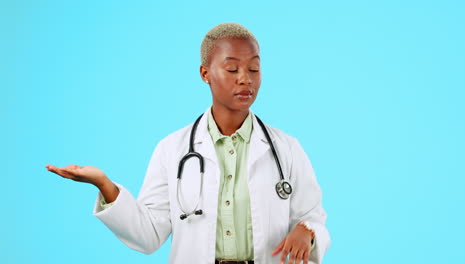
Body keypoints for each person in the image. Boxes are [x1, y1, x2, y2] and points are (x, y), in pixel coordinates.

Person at [46, 22, 331, 264]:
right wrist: (105, 185)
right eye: (232, 70)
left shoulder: (287, 149)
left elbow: (313, 219)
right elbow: (148, 235)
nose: (245, 79)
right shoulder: (172, 150)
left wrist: (308, 231)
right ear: (205, 73)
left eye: (254, 69)